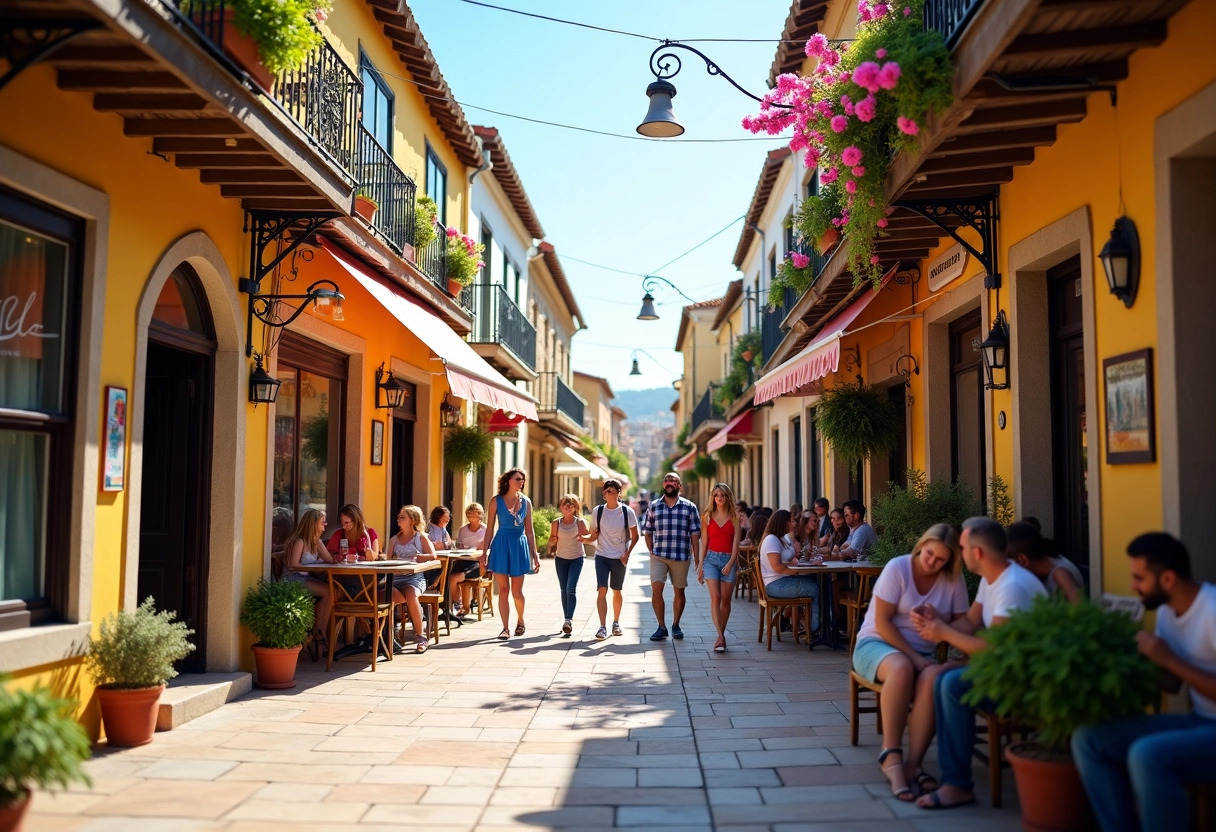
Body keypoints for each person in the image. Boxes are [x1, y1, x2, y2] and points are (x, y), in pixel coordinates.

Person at [1072, 532, 1216, 832]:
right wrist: (1126, 658)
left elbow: (1172, 666)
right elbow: (1173, 684)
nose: (1132, 587)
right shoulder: (1165, 611)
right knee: (1089, 740)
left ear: (1167, 579)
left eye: (1139, 578)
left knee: (1147, 754)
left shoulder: (1212, 611)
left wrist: (1168, 659)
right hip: (1199, 721)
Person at [911, 516, 1047, 810]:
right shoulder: (993, 577)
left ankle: (957, 784)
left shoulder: (1013, 586)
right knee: (941, 677)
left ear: (978, 553)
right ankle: (952, 777)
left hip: (1024, 685)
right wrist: (937, 622)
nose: (958, 552)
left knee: (951, 684)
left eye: (962, 546)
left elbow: (994, 651)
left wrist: (944, 633)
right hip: (1003, 671)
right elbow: (972, 622)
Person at [852, 523, 970, 801]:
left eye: (940, 559)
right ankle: (891, 754)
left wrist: (939, 623)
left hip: (923, 655)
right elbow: (881, 621)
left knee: (933, 679)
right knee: (903, 668)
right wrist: (914, 656)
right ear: (920, 546)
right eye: (928, 553)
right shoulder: (899, 567)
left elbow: (962, 626)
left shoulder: (953, 580)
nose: (932, 562)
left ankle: (914, 764)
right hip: (877, 643)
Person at [479, 467, 540, 639]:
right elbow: (489, 529)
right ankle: (505, 628)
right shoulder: (495, 501)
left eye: (522, 480)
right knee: (503, 590)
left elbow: (529, 531)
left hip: (519, 545)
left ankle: (520, 620)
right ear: (507, 481)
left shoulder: (526, 502)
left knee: (517, 592)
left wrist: (534, 554)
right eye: (517, 479)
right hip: (501, 544)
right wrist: (484, 552)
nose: (521, 482)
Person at [641, 472, 701, 641]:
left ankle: (676, 624)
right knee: (656, 589)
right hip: (659, 555)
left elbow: (695, 535)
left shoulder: (690, 507)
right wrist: (651, 551)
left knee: (679, 591)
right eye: (667, 480)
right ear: (663, 484)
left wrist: (697, 558)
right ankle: (661, 627)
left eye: (673, 481)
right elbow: (648, 532)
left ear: (679, 486)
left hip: (681, 555)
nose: (669, 483)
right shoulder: (654, 506)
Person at [583, 480, 639, 641]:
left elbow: (635, 537)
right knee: (602, 589)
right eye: (606, 491)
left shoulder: (627, 512)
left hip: (619, 557)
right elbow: (594, 534)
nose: (608, 494)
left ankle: (616, 622)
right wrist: (583, 539)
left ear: (619, 493)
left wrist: (627, 553)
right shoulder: (598, 511)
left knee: (616, 590)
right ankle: (602, 626)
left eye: (612, 491)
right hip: (601, 555)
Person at [758, 509, 820, 641]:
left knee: (815, 582)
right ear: (783, 522)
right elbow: (777, 567)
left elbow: (789, 560)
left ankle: (813, 627)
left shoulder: (780, 539)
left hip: (783, 581)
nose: (794, 524)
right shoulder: (771, 540)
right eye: (791, 521)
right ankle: (815, 631)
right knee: (814, 588)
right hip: (776, 585)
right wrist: (795, 570)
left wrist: (797, 564)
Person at [385, 505, 440, 653]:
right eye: (399, 516)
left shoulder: (420, 537)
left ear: (413, 520)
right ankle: (389, 635)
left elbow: (433, 556)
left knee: (410, 595)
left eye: (403, 517)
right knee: (386, 595)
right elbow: (387, 560)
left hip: (414, 578)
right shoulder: (394, 540)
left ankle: (420, 636)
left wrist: (422, 557)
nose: (399, 519)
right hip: (396, 579)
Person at [697, 482, 742, 653]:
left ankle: (720, 635)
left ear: (728, 497)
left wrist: (731, 562)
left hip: (728, 560)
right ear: (713, 498)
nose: (720, 498)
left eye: (722, 495)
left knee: (725, 600)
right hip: (711, 560)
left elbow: (736, 544)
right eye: (716, 495)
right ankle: (720, 636)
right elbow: (704, 543)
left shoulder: (735, 517)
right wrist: (700, 565)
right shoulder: (707, 517)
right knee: (715, 598)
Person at [280, 509, 334, 647]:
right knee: (328, 591)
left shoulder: (315, 542)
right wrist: (314, 567)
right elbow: (292, 565)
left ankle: (319, 631)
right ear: (313, 524)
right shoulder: (300, 541)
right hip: (292, 579)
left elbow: (330, 560)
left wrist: (321, 546)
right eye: (322, 522)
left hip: (305, 578)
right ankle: (319, 632)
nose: (325, 525)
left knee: (333, 591)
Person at [1006, 521, 1085, 603]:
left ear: (1022, 560)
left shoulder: (1060, 574)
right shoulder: (1051, 563)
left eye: (1009, 564)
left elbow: (1081, 609)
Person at [548, 493, 590, 637]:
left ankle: (568, 621)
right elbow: (551, 542)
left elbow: (588, 539)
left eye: (570, 504)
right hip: (560, 559)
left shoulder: (580, 523)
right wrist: (552, 541)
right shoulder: (556, 523)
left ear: (575, 507)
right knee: (563, 590)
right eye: (564, 504)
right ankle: (567, 619)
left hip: (576, 559)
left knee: (570, 589)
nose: (567, 506)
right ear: (560, 507)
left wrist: (583, 538)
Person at [452, 503, 488, 617]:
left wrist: (483, 548)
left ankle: (459, 605)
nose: (470, 515)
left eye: (474, 512)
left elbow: (490, 548)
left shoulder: (485, 529)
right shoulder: (463, 530)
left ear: (480, 514)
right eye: (469, 513)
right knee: (448, 576)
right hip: (462, 559)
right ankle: (458, 605)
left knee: (455, 577)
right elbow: (459, 544)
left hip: (477, 562)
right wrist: (460, 547)